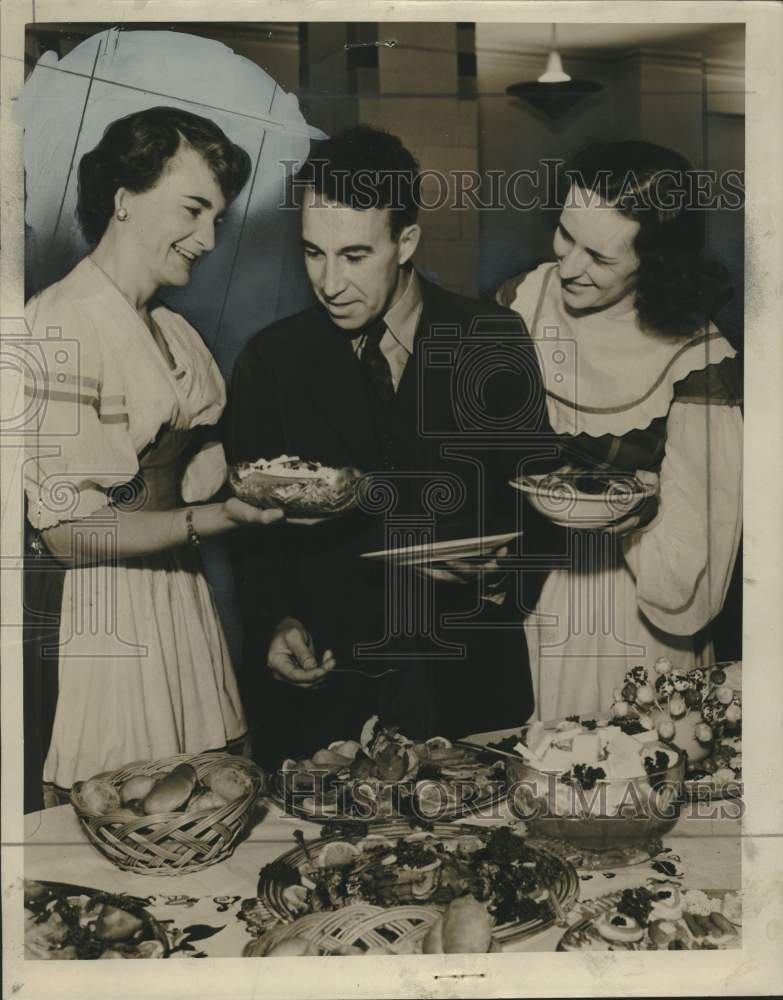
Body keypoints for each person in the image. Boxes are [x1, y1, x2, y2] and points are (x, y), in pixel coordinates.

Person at [228, 125, 555, 767]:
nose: (329, 282)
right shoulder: (270, 360)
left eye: (354, 255)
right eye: (312, 253)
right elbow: (252, 528)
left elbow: (540, 496)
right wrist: (276, 621)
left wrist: (498, 575)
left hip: (471, 683)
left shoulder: (491, 337)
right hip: (328, 696)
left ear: (406, 242)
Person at [23, 107, 284, 812]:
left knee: (200, 813)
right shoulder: (61, 322)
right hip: (100, 616)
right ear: (124, 198)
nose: (207, 239)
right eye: (194, 210)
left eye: (218, 220)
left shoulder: (171, 330)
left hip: (175, 597)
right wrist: (211, 516)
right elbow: (69, 533)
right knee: (130, 815)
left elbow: (192, 465)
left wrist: (271, 474)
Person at [496, 140, 743, 721]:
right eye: (564, 235)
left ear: (653, 263)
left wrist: (640, 514)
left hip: (635, 620)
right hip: (532, 595)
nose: (570, 266)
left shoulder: (698, 361)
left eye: (600, 258)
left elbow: (697, 552)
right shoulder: (521, 301)